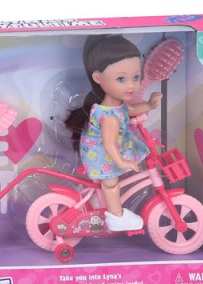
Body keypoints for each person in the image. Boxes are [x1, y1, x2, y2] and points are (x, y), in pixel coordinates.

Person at [65, 34, 161, 232]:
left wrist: (150, 105)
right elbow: (109, 144)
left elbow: (130, 110)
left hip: (108, 150)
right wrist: (122, 162)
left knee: (111, 180)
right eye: (121, 79)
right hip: (103, 156)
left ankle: (99, 201)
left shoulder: (116, 106)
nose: (131, 85)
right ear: (98, 78)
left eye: (136, 77)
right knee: (110, 183)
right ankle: (116, 217)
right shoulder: (110, 118)